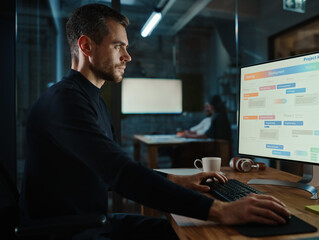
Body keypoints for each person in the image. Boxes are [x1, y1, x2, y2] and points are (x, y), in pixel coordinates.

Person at [20, 4, 290, 239]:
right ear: (86, 46)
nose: (127, 57)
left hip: (94, 224)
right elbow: (121, 175)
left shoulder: (92, 100)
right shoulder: (66, 101)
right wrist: (220, 210)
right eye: (118, 47)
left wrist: (176, 180)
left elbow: (113, 172)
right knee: (208, 229)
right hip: (71, 232)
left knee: (187, 231)